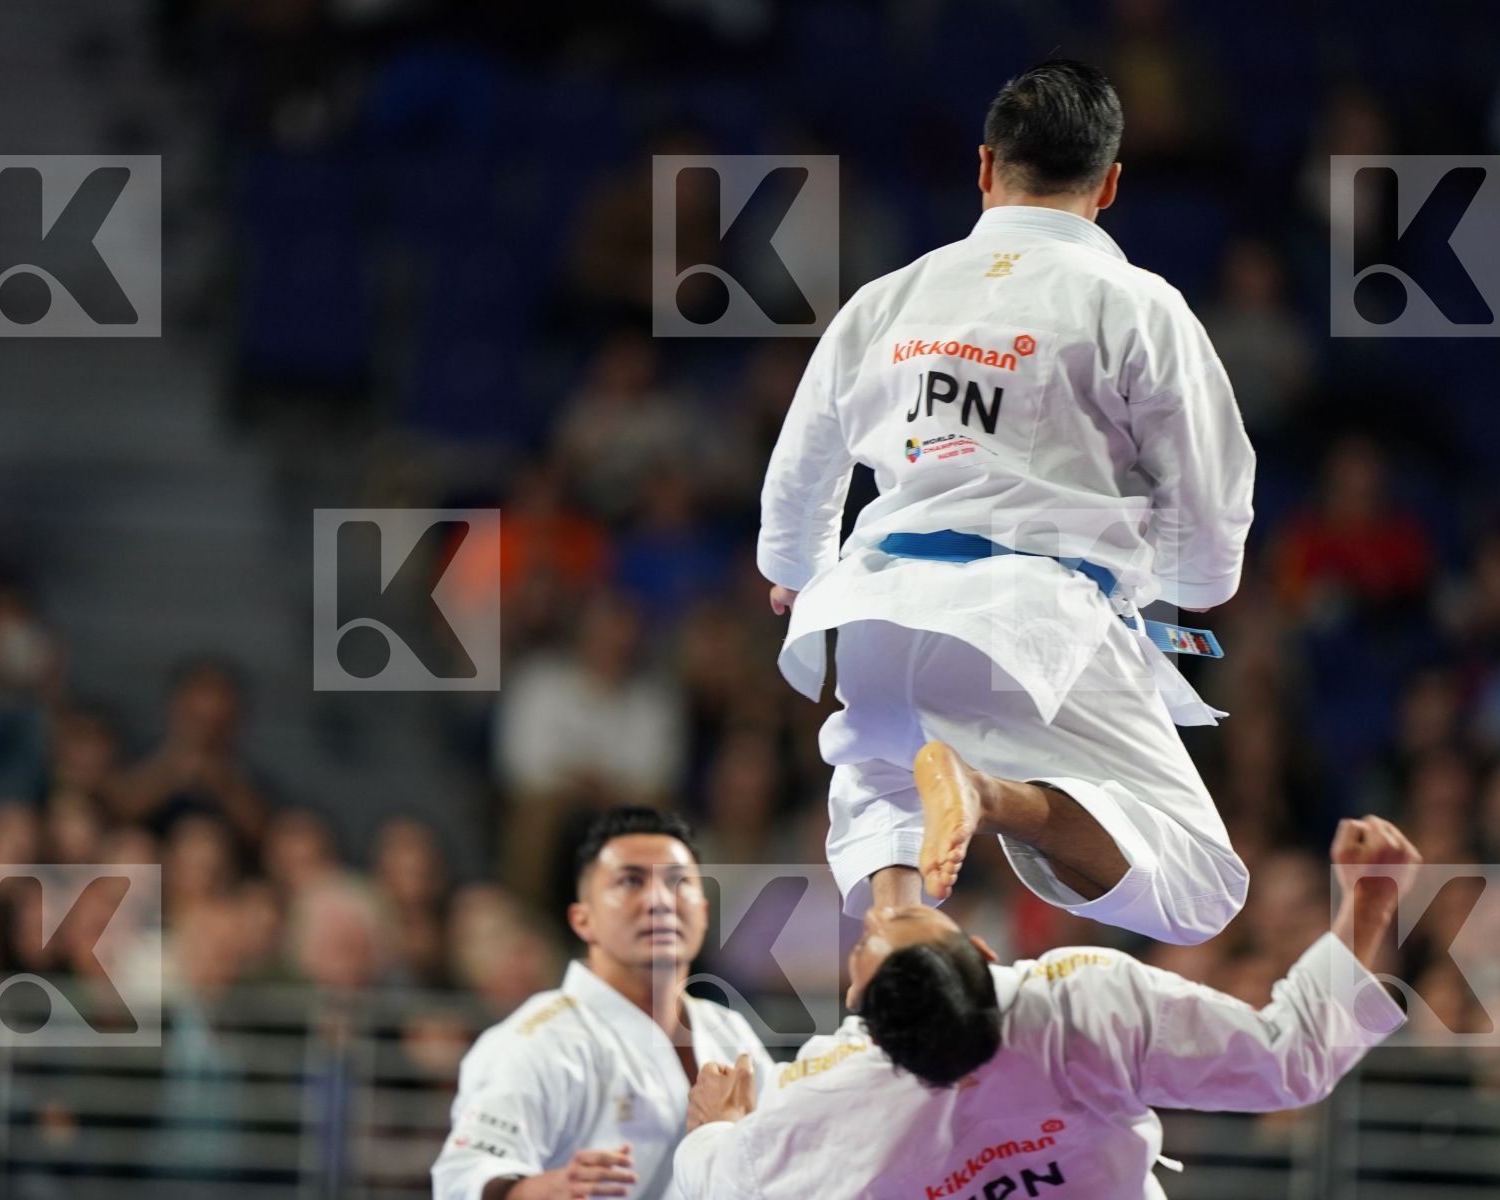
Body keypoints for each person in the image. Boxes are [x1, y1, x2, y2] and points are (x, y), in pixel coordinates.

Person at [757, 58, 1255, 943]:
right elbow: (1211, 506)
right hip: (1036, 619)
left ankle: (900, 943)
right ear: (1109, 186)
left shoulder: (884, 301)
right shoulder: (1137, 305)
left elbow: (802, 470)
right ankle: (993, 796)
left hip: (877, 605)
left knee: (880, 796)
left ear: (985, 167)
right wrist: (1179, 588)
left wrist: (795, 572)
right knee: (1198, 888)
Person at [673, 818, 1420, 1200]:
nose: (876, 915)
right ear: (985, 950)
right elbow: (1288, 1064)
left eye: (872, 931)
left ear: (860, 1016)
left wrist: (717, 1130)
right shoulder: (1079, 1006)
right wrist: (1368, 908)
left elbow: (725, 1184)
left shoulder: (832, 1089)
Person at [431, 808, 774, 1200]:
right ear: (583, 920)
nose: (659, 901)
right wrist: (541, 1190)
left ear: (704, 912)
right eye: (631, 881)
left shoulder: (728, 1030)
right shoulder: (538, 1040)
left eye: (678, 882)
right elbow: (462, 1178)